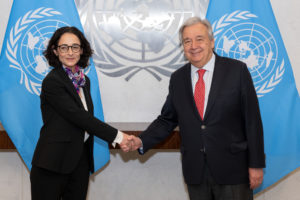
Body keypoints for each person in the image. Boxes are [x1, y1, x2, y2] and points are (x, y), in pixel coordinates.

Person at [129, 17, 265, 200]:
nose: (194, 46)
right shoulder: (178, 79)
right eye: (187, 41)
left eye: (199, 39)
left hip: (233, 170)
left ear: (211, 42)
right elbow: (167, 119)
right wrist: (141, 141)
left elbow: (253, 121)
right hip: (196, 172)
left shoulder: (237, 71)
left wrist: (256, 164)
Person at [30, 26, 133, 200]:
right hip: (52, 164)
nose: (70, 52)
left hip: (78, 163)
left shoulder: (84, 80)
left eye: (75, 47)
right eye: (64, 47)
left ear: (82, 50)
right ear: (55, 51)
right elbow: (80, 117)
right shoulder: (52, 82)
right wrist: (118, 137)